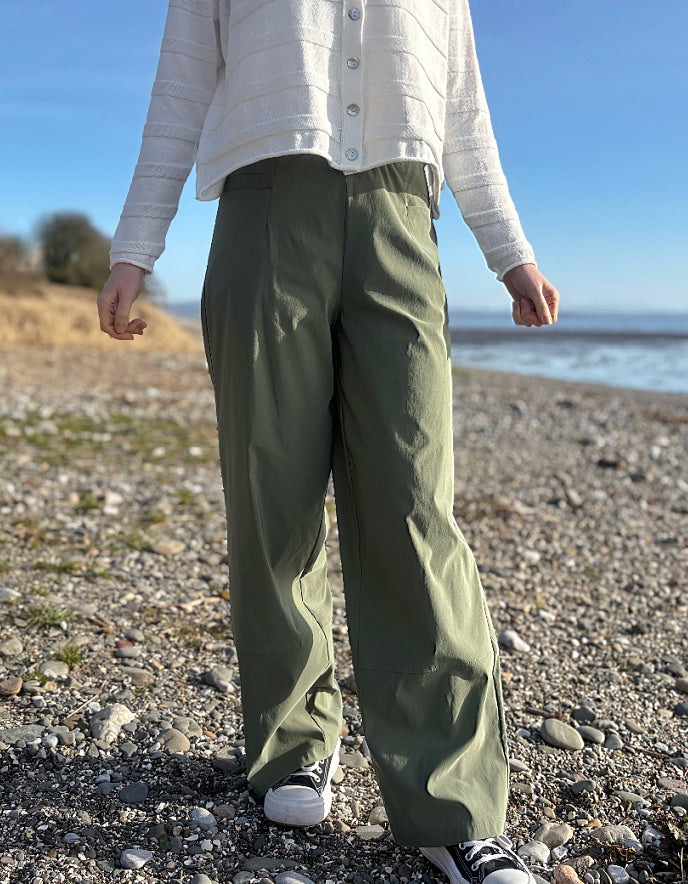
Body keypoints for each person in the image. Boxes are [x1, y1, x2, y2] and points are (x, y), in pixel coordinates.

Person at [97, 2, 559, 882]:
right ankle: (293, 742)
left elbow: (463, 108)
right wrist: (135, 247)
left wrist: (509, 249)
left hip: (400, 217)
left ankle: (451, 805)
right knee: (273, 496)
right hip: (264, 211)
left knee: (415, 505)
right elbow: (180, 87)